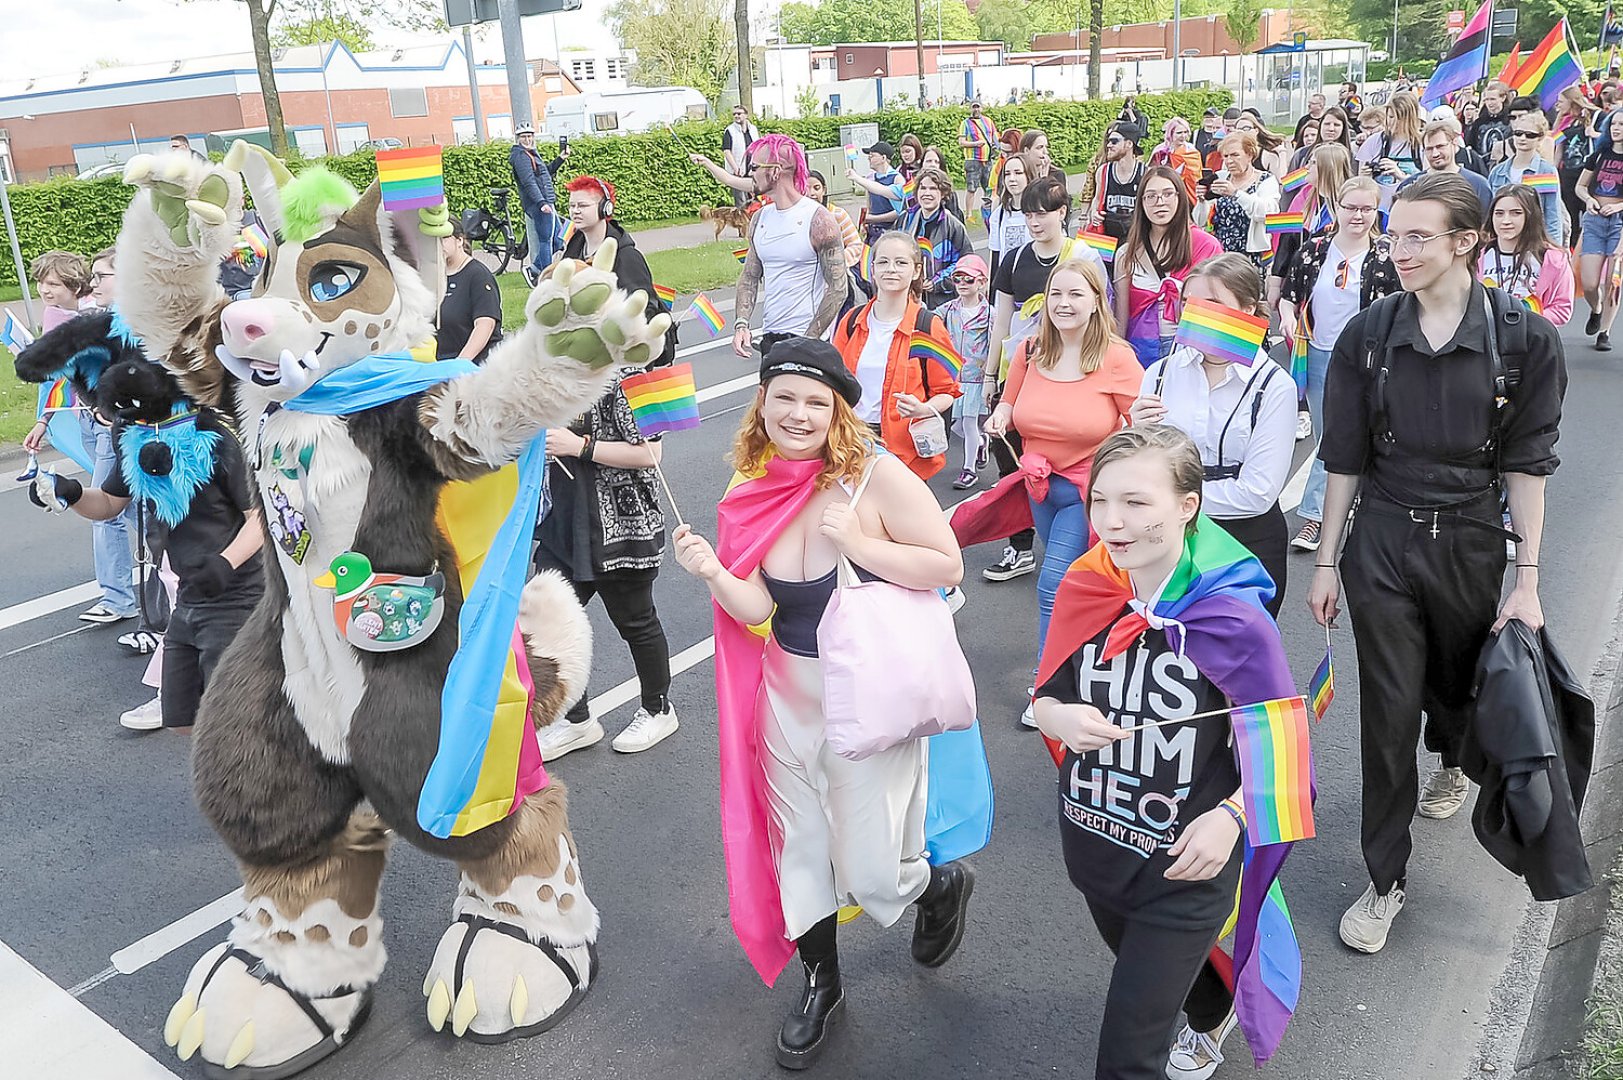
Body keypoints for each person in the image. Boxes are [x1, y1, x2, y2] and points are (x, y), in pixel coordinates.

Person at [670, 338, 976, 1070]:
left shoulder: (876, 478)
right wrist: (712, 570)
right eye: (785, 398)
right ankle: (821, 981)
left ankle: (935, 885)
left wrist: (861, 544)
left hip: (866, 698)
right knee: (799, 852)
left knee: (870, 875)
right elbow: (759, 611)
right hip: (786, 696)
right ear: (763, 404)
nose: (798, 414)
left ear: (837, 410)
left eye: (815, 402)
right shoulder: (752, 484)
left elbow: (947, 563)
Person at [1309, 173, 1566, 954]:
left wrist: (1525, 581)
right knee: (1385, 713)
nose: (1400, 249)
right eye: (1394, 234)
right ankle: (1384, 878)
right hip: (1381, 539)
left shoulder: (1525, 342)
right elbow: (1343, 461)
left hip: (1468, 539)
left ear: (1467, 241)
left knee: (1453, 691)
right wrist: (1325, 562)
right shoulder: (1367, 334)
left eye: (1418, 235)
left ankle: (1451, 757)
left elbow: (1526, 466)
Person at [1034, 423, 1302, 1080]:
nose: (1111, 522)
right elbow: (1042, 698)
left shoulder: (1233, 619)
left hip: (1185, 872)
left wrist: (1233, 818)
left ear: (1187, 506)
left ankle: (1207, 1012)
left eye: (1135, 503)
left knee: (1126, 1056)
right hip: (1096, 846)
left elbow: (1285, 754)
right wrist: (1063, 716)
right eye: (1100, 501)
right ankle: (1211, 1010)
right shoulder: (1086, 586)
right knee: (1168, 982)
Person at [31, 368, 265, 731]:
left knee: (235, 723)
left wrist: (224, 563)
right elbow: (108, 503)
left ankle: (249, 784)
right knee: (180, 719)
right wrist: (70, 492)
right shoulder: (138, 443)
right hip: (186, 600)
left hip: (236, 596)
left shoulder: (215, 439)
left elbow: (261, 517)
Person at [983, 256, 1139, 662]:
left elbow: (1140, 425)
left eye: (1075, 294)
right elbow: (1008, 402)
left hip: (1085, 493)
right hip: (1038, 488)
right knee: (1074, 582)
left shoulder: (1115, 358)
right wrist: (999, 418)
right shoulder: (1031, 350)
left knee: (1052, 584)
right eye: (1056, 293)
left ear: (1096, 301)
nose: (1063, 303)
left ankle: (1047, 684)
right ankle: (1094, 653)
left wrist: (1146, 416)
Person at [1131, 255, 1297, 616]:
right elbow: (1140, 467)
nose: (1198, 314)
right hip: (1170, 540)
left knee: (1236, 657)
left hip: (1244, 541)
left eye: (1214, 304)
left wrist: (1172, 505)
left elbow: (1257, 493)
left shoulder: (1274, 386)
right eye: (1190, 304)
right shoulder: (1160, 373)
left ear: (1248, 309)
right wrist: (1135, 433)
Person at [533, 368, 679, 760]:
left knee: (635, 621)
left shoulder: (630, 374)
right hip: (561, 522)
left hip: (621, 526)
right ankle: (575, 719)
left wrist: (578, 445)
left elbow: (651, 452)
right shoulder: (549, 373)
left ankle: (658, 708)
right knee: (549, 626)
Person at [985, 176, 1106, 585]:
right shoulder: (1015, 259)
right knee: (1015, 462)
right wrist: (989, 376)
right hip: (1019, 369)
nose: (1035, 222)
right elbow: (1000, 320)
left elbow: (1104, 317)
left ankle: (1074, 551)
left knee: (1061, 459)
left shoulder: (1082, 255)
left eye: (1043, 213)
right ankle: (1021, 546)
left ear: (1062, 213)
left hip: (1073, 372)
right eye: (1029, 214)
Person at [1278, 175, 1401, 555]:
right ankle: (1318, 515)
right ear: (1337, 208)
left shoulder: (1385, 256)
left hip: (1367, 358)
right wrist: (1286, 317)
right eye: (1351, 207)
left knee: (1365, 431)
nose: (1358, 216)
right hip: (1317, 352)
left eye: (1367, 208)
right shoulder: (1314, 251)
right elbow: (1290, 294)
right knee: (1328, 435)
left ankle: (1351, 508)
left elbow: (1401, 305)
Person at [21, 250, 141, 628]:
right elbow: (55, 376)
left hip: (118, 427)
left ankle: (120, 598)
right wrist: (44, 419)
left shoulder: (117, 325)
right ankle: (161, 581)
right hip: (91, 421)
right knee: (128, 505)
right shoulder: (73, 323)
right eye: (41, 283)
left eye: (54, 283)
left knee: (113, 510)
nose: (45, 290)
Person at [831, 230, 961, 478]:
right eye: (883, 262)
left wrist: (923, 409)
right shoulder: (851, 321)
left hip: (903, 452)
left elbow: (947, 391)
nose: (891, 269)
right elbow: (831, 381)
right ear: (872, 268)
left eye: (901, 262)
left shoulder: (928, 325)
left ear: (916, 271)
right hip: (852, 440)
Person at [735, 134, 849, 359]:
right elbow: (749, 276)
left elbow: (838, 288)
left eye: (755, 166)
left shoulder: (818, 219)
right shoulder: (760, 218)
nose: (750, 173)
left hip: (807, 340)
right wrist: (741, 323)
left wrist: (809, 339)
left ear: (775, 171)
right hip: (771, 338)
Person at [559, 175, 678, 365]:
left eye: (582, 206)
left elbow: (644, 309)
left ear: (605, 208)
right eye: (572, 206)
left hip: (620, 358)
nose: (575, 211)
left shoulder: (627, 256)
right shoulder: (572, 251)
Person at [1113, 164, 1223, 368]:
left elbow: (1221, 306)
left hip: (1192, 350)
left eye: (1167, 194)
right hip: (1139, 350)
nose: (1159, 202)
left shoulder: (1206, 245)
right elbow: (1121, 318)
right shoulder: (1125, 254)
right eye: (1151, 196)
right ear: (1142, 203)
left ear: (1180, 197)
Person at [1480, 184, 1575, 326]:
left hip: (1532, 339)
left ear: (1531, 216)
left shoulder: (1553, 259)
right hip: (1486, 339)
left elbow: (1562, 310)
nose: (1506, 221)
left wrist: (1522, 318)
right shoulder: (1477, 256)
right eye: (1499, 213)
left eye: (1516, 213)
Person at [941, 254, 993, 489]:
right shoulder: (949, 309)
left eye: (968, 280)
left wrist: (992, 377)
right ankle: (982, 442)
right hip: (953, 375)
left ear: (981, 282)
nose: (962, 283)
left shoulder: (989, 314)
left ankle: (968, 469)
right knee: (957, 425)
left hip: (976, 377)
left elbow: (995, 345)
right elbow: (927, 316)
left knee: (969, 423)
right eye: (957, 279)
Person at [1196, 131, 1280, 270]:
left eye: (1235, 155)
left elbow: (1267, 213)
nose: (1229, 161)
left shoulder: (1265, 180)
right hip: (1220, 255)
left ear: (1250, 155)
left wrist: (1236, 194)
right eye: (1226, 156)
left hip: (1250, 257)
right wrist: (1201, 201)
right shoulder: (1220, 178)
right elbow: (1201, 222)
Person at [1576, 109, 1623, 349]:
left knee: (1612, 281)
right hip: (1595, 222)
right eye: (1613, 124)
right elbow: (1581, 186)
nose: (1616, 128)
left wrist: (1618, 207)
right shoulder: (1599, 155)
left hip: (1620, 225)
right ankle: (1596, 309)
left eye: (1621, 124)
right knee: (1590, 283)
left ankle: (1604, 332)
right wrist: (1589, 200)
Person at [1489, 110, 1565, 245]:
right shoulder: (1498, 171)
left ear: (1540, 138)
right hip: (1504, 241)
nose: (1522, 138)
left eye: (1530, 135)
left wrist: (1554, 247)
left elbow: (1552, 213)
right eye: (1518, 133)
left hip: (1534, 241)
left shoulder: (1546, 170)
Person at [436, 220, 504, 363]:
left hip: (474, 366)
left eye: (443, 238)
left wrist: (460, 363)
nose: (438, 244)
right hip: (438, 364)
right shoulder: (433, 277)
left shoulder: (478, 275)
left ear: (459, 240)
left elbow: (485, 324)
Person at [905, 167, 971, 309]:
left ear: (942, 193)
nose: (927, 193)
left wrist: (937, 281)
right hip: (908, 299)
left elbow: (965, 263)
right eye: (922, 188)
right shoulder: (905, 220)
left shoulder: (954, 227)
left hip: (942, 303)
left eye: (933, 188)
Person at [509, 123, 568, 281]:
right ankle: (547, 276)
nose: (527, 139)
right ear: (518, 139)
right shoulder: (521, 156)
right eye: (524, 137)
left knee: (558, 239)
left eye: (530, 136)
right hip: (539, 204)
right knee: (546, 240)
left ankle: (534, 269)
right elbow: (529, 182)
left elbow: (544, 173)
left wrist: (560, 159)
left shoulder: (531, 153)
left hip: (547, 201)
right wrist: (542, 203)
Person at [1400, 121, 1494, 215]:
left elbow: (1484, 225)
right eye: (1429, 149)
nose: (1435, 154)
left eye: (1440, 146)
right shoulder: (1410, 185)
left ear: (1454, 144)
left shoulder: (1478, 185)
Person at [1363, 94, 1425, 210]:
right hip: (1377, 208)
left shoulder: (1422, 144)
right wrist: (1365, 176)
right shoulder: (1374, 142)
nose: (1393, 122)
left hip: (1410, 207)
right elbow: (1360, 182)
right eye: (1390, 117)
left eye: (1399, 118)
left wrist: (1401, 175)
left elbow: (1429, 182)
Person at [1555, 85, 1601, 237]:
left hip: (1587, 172)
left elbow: (1610, 138)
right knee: (1570, 214)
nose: (1558, 105)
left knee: (1588, 212)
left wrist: (1594, 134)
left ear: (1571, 100)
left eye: (1561, 101)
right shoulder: (1567, 120)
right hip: (1567, 174)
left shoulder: (1596, 116)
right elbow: (1556, 144)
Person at [1089, 123, 1144, 245]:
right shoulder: (1103, 172)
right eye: (1108, 141)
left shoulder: (1144, 173)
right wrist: (1094, 213)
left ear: (1129, 144)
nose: (1108, 145)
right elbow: (1097, 199)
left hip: (1136, 241)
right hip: (1107, 241)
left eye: (1114, 141)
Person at [987, 150, 1031, 279]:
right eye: (1007, 174)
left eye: (1018, 173)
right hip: (1007, 283)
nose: (1012, 179)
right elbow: (995, 255)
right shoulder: (999, 214)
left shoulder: (1040, 212)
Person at [806, 170, 864, 269]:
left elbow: (855, 245)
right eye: (806, 188)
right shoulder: (795, 218)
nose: (811, 193)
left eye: (816, 188)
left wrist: (836, 261)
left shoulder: (837, 214)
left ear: (824, 190)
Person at [850, 141, 905, 240]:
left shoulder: (897, 179)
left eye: (872, 156)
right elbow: (869, 205)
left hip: (892, 230)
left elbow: (900, 211)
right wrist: (865, 223)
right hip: (873, 230)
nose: (869, 158)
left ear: (883, 158)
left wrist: (873, 219)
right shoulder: (870, 178)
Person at [960, 100, 1000, 225]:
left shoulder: (988, 121)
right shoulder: (965, 124)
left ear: (982, 108)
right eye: (973, 107)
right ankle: (969, 215)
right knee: (971, 189)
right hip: (972, 160)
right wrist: (975, 144)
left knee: (989, 188)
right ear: (970, 109)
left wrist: (997, 148)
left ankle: (989, 211)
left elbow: (995, 138)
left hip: (987, 160)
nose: (976, 110)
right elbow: (961, 142)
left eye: (978, 107)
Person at [1149, 117, 1202, 201]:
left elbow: (1197, 178)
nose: (1183, 136)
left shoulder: (1192, 151)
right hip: (1165, 194)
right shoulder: (1160, 151)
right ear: (1171, 133)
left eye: (1185, 132)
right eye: (1179, 133)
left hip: (1188, 196)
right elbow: (1152, 173)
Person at [723, 105, 761, 208]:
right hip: (738, 172)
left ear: (746, 115)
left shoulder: (753, 129)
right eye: (734, 114)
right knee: (741, 202)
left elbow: (758, 147)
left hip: (752, 170)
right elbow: (727, 151)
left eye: (739, 114)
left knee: (756, 199)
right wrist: (735, 168)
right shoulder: (729, 131)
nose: (736, 116)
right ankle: (741, 223)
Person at [1467, 83, 1512, 166]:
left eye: (1493, 99)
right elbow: (1471, 145)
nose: (1489, 103)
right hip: (1482, 166)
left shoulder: (1512, 120)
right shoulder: (1479, 123)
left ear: (1503, 98)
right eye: (1486, 100)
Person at [918, 146, 965, 220]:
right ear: (922, 164)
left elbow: (956, 220)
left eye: (936, 162)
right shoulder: (916, 187)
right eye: (929, 161)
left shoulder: (949, 192)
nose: (933, 164)